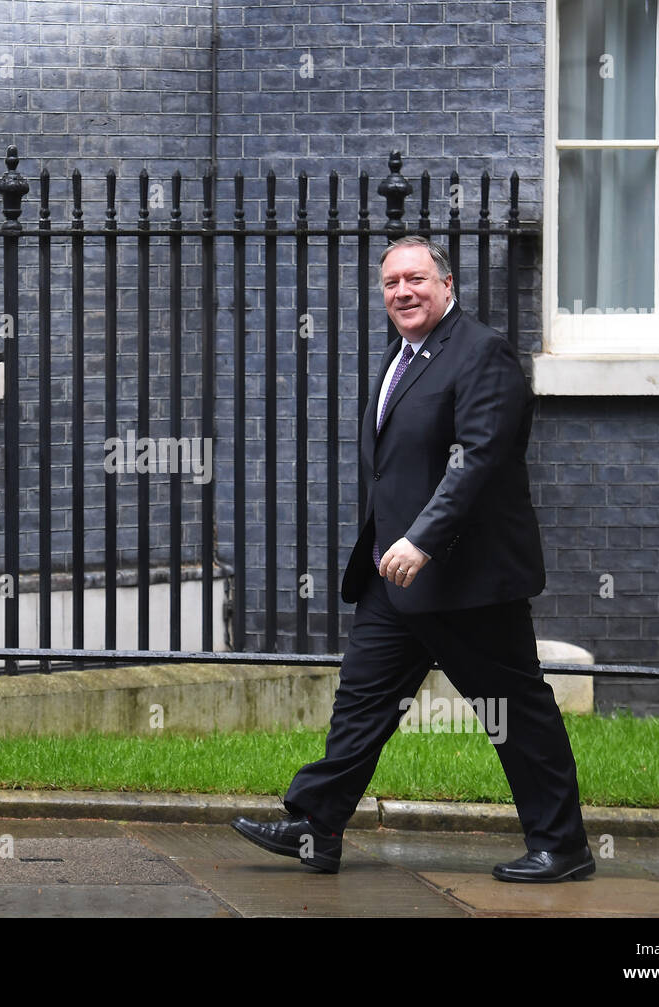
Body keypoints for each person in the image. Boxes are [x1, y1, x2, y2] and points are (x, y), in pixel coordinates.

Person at [232, 235, 593, 883]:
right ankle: (319, 825)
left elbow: (480, 459)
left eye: (417, 279)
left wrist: (425, 536)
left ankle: (562, 845)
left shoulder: (481, 353)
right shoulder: (404, 356)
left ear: (447, 286)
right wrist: (390, 547)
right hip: (392, 578)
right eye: (392, 282)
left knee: (512, 710)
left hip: (468, 579)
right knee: (362, 702)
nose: (403, 291)